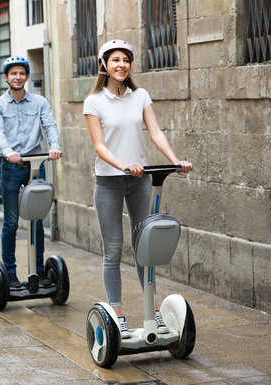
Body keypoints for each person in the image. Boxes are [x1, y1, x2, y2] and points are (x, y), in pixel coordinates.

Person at [83, 40, 192, 338]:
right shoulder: (94, 101)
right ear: (103, 64)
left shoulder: (140, 95)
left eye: (126, 60)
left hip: (141, 179)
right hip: (108, 181)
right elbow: (99, 146)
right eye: (115, 59)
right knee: (114, 249)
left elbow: (155, 132)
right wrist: (123, 164)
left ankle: (151, 311)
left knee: (145, 247)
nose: (121, 65)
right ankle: (117, 315)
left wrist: (175, 161)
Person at [0, 56, 62, 288]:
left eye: (22, 73)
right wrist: (8, 151)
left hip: (36, 165)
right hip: (11, 167)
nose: (18, 77)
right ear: (6, 78)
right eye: (13, 74)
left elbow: (49, 125)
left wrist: (55, 146)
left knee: (37, 221)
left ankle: (38, 272)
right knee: (10, 222)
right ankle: (10, 273)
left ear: (27, 77)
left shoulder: (39, 102)